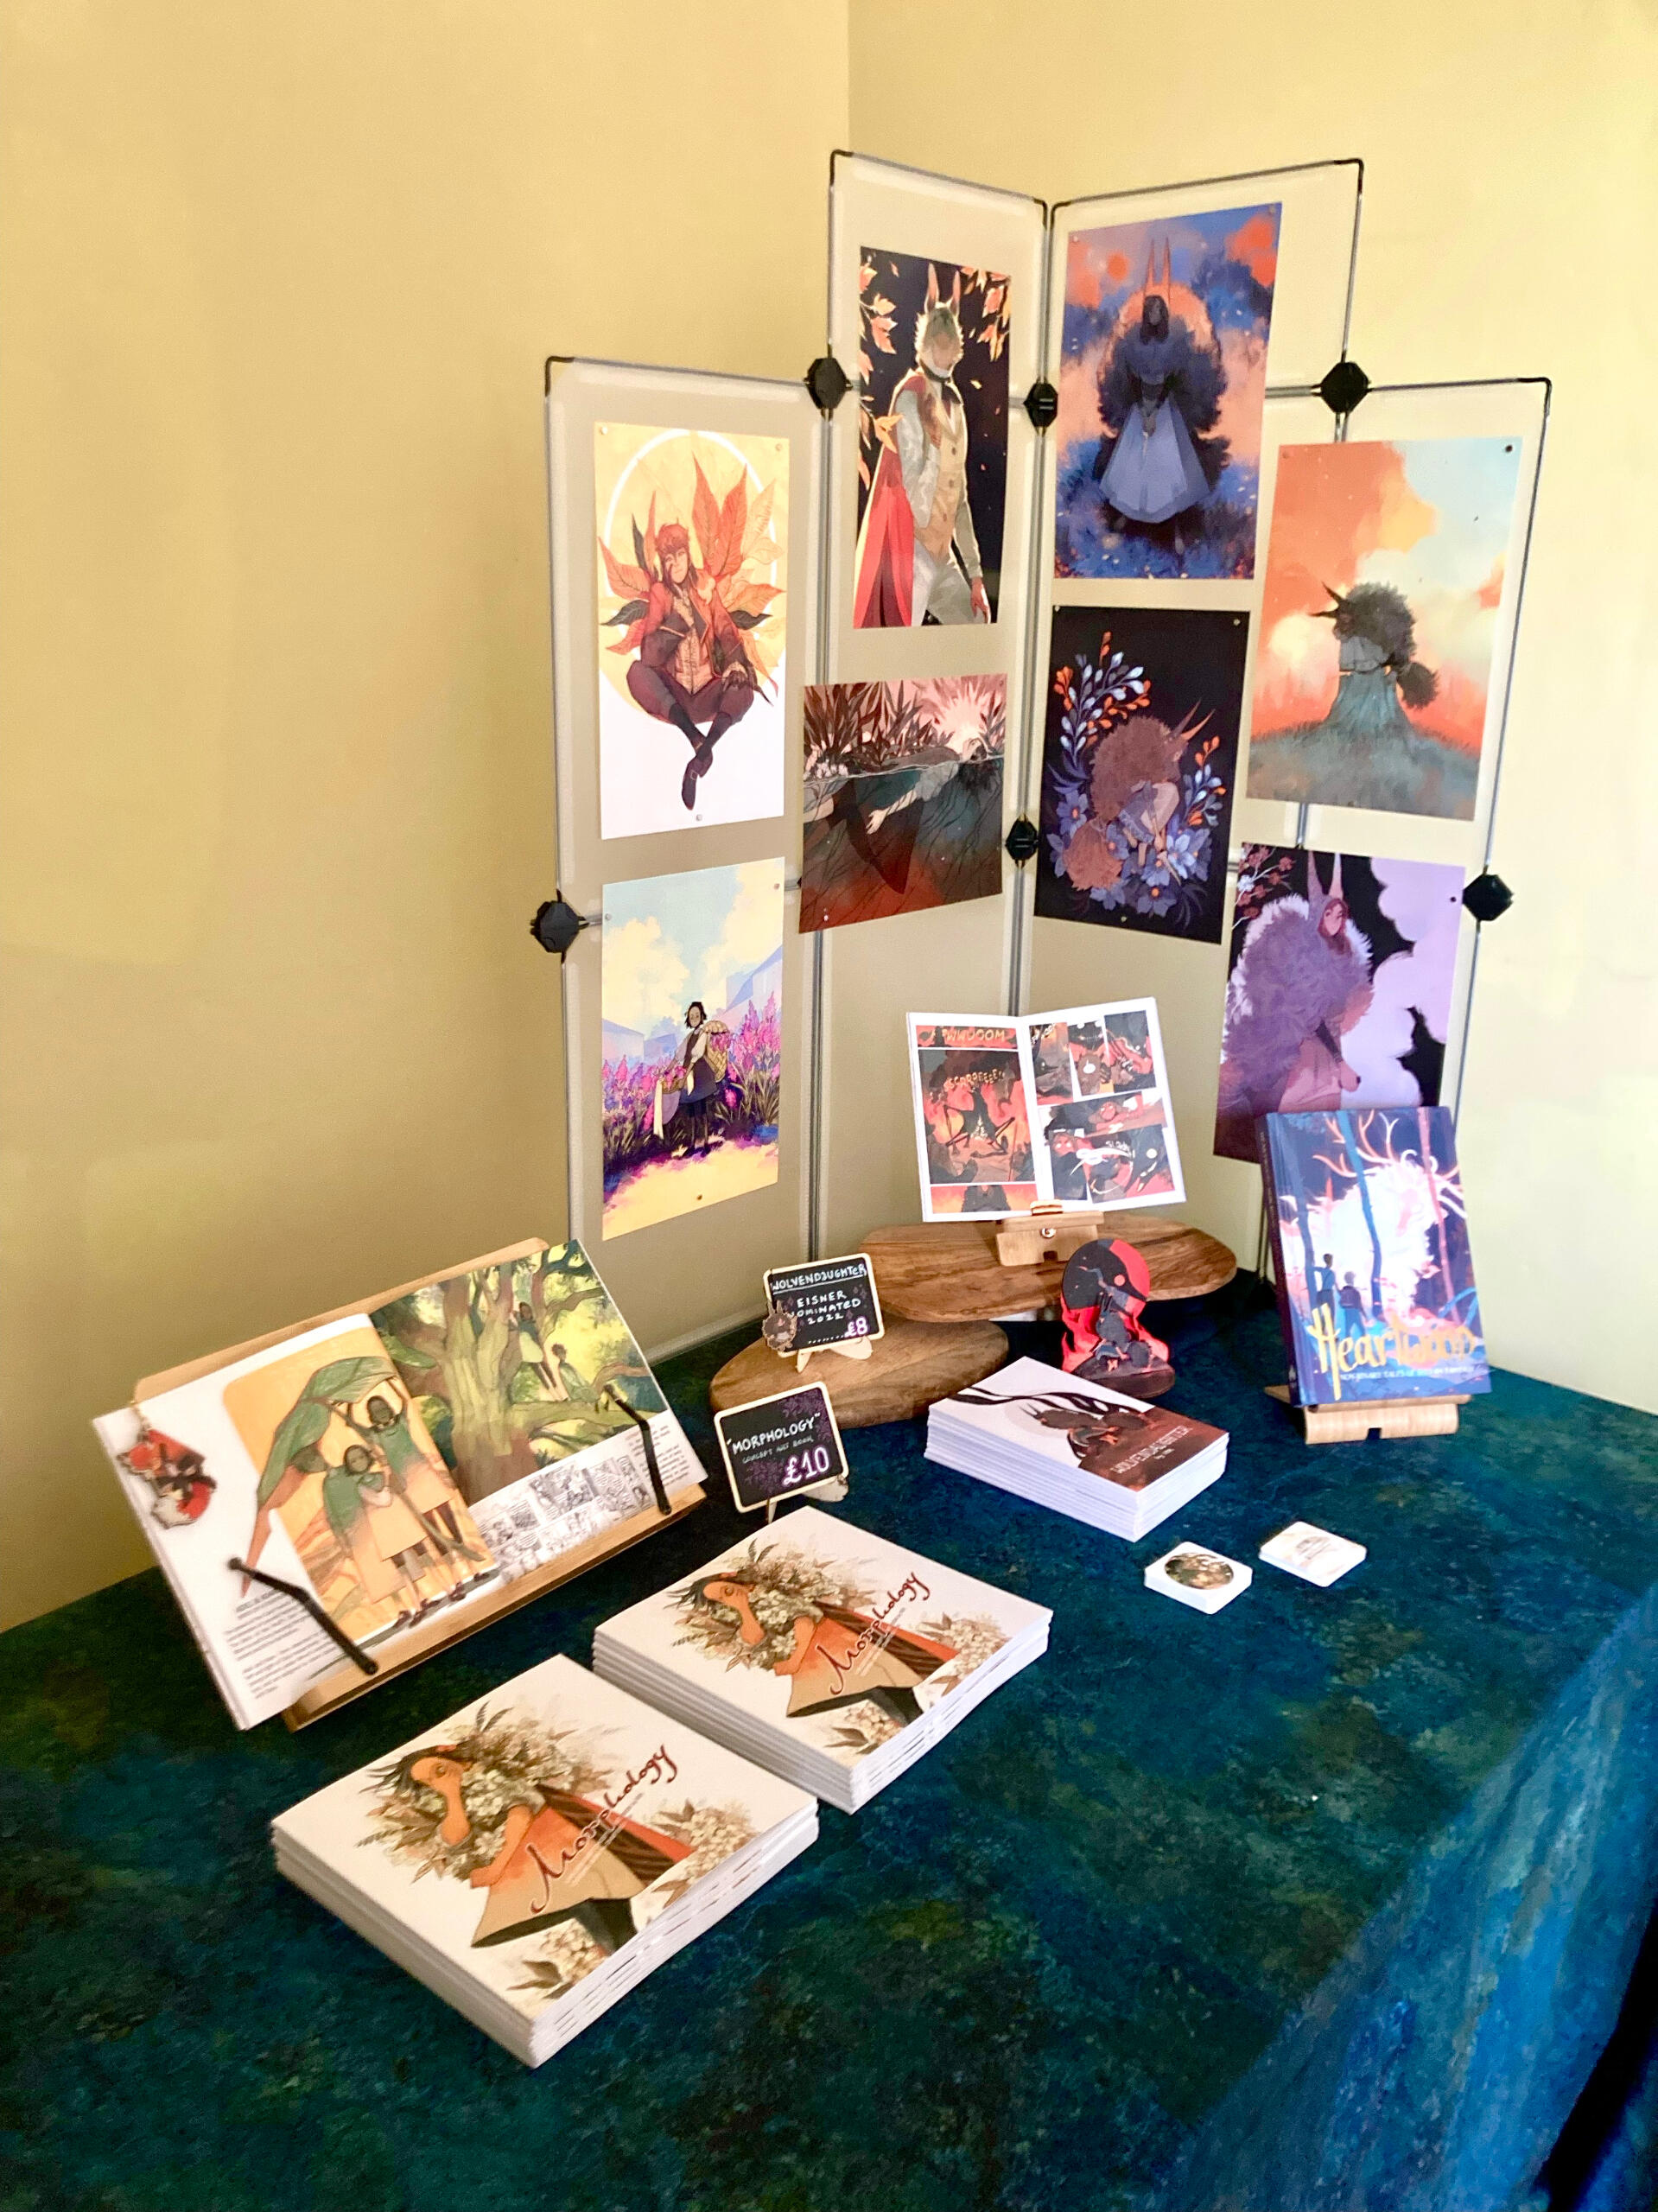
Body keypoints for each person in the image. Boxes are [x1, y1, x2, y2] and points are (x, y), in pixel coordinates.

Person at [381, 1745, 690, 1953]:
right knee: (592, 1906)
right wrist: (450, 1795)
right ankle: (627, 1953)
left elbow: (520, 1815)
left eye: (438, 1770)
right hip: (528, 1856)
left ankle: (631, 1952)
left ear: (447, 1752)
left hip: (549, 1838)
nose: (438, 1780)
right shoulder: (446, 1796)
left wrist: (499, 1865)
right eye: (428, 1782)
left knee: (598, 1896)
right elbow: (455, 1838)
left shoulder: (489, 1772)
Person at [853, 265, 991, 628]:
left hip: (941, 556)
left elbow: (957, 496)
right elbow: (913, 492)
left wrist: (975, 575)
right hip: (910, 553)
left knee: (974, 626)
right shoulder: (910, 397)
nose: (945, 350)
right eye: (939, 343)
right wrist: (930, 441)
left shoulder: (956, 405)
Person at [682, 1572, 957, 1729]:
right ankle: (917, 1725)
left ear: (730, 1577)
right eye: (719, 1599)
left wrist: (796, 1656)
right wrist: (742, 1609)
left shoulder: (767, 1586)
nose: (726, 1598)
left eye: (725, 1590)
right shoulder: (737, 1613)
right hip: (814, 1657)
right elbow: (755, 1640)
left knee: (884, 1676)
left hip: (828, 1639)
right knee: (873, 1687)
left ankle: (922, 1721)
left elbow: (804, 1617)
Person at [1090, 246, 1227, 555]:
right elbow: (1132, 377)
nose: (1153, 313)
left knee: (1170, 471)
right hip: (1141, 409)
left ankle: (1174, 529)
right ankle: (1125, 520)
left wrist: (1156, 408)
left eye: (1157, 310)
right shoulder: (1133, 343)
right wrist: (1144, 408)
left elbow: (1172, 378)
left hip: (1165, 411)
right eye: (1149, 309)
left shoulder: (1176, 341)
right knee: (1132, 470)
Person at [622, 523, 754, 809]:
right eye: (668, 560)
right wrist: (678, 623)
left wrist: (735, 664)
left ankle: (702, 754)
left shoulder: (705, 585)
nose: (675, 564)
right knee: (636, 673)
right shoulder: (661, 593)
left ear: (688, 554)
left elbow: (724, 626)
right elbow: (648, 654)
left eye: (679, 555)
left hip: (709, 691)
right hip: (676, 695)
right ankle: (693, 736)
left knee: (745, 690)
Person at [1338, 1272, 1369, 1339]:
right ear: (1352, 1280)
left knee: (1347, 1332)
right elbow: (1360, 1305)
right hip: (1355, 1312)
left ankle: (1346, 1348)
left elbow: (1339, 1295)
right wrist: (1365, 1316)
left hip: (1347, 1313)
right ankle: (1364, 1347)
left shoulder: (1344, 1291)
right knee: (1362, 1331)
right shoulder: (1355, 1292)